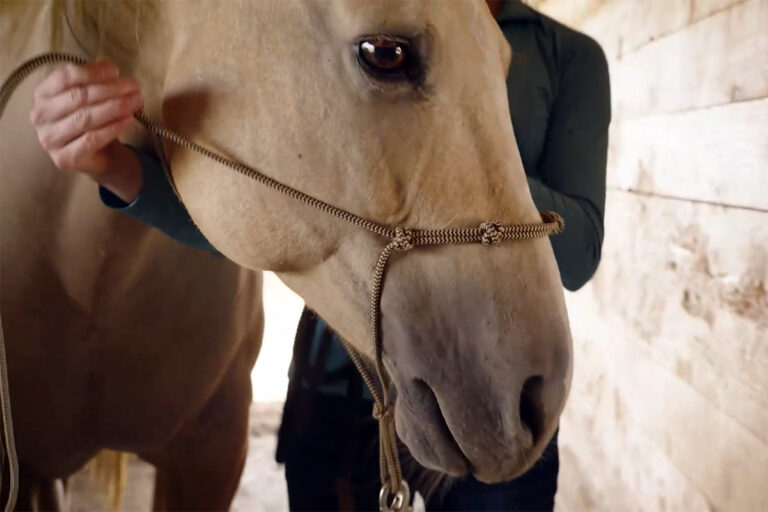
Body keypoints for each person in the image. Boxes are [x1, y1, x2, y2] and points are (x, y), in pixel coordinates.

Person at [29, 1, 609, 509]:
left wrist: (472, 144)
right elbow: (275, 201)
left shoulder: (567, 55)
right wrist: (112, 166)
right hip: (331, 391)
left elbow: (579, 251)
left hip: (484, 373)